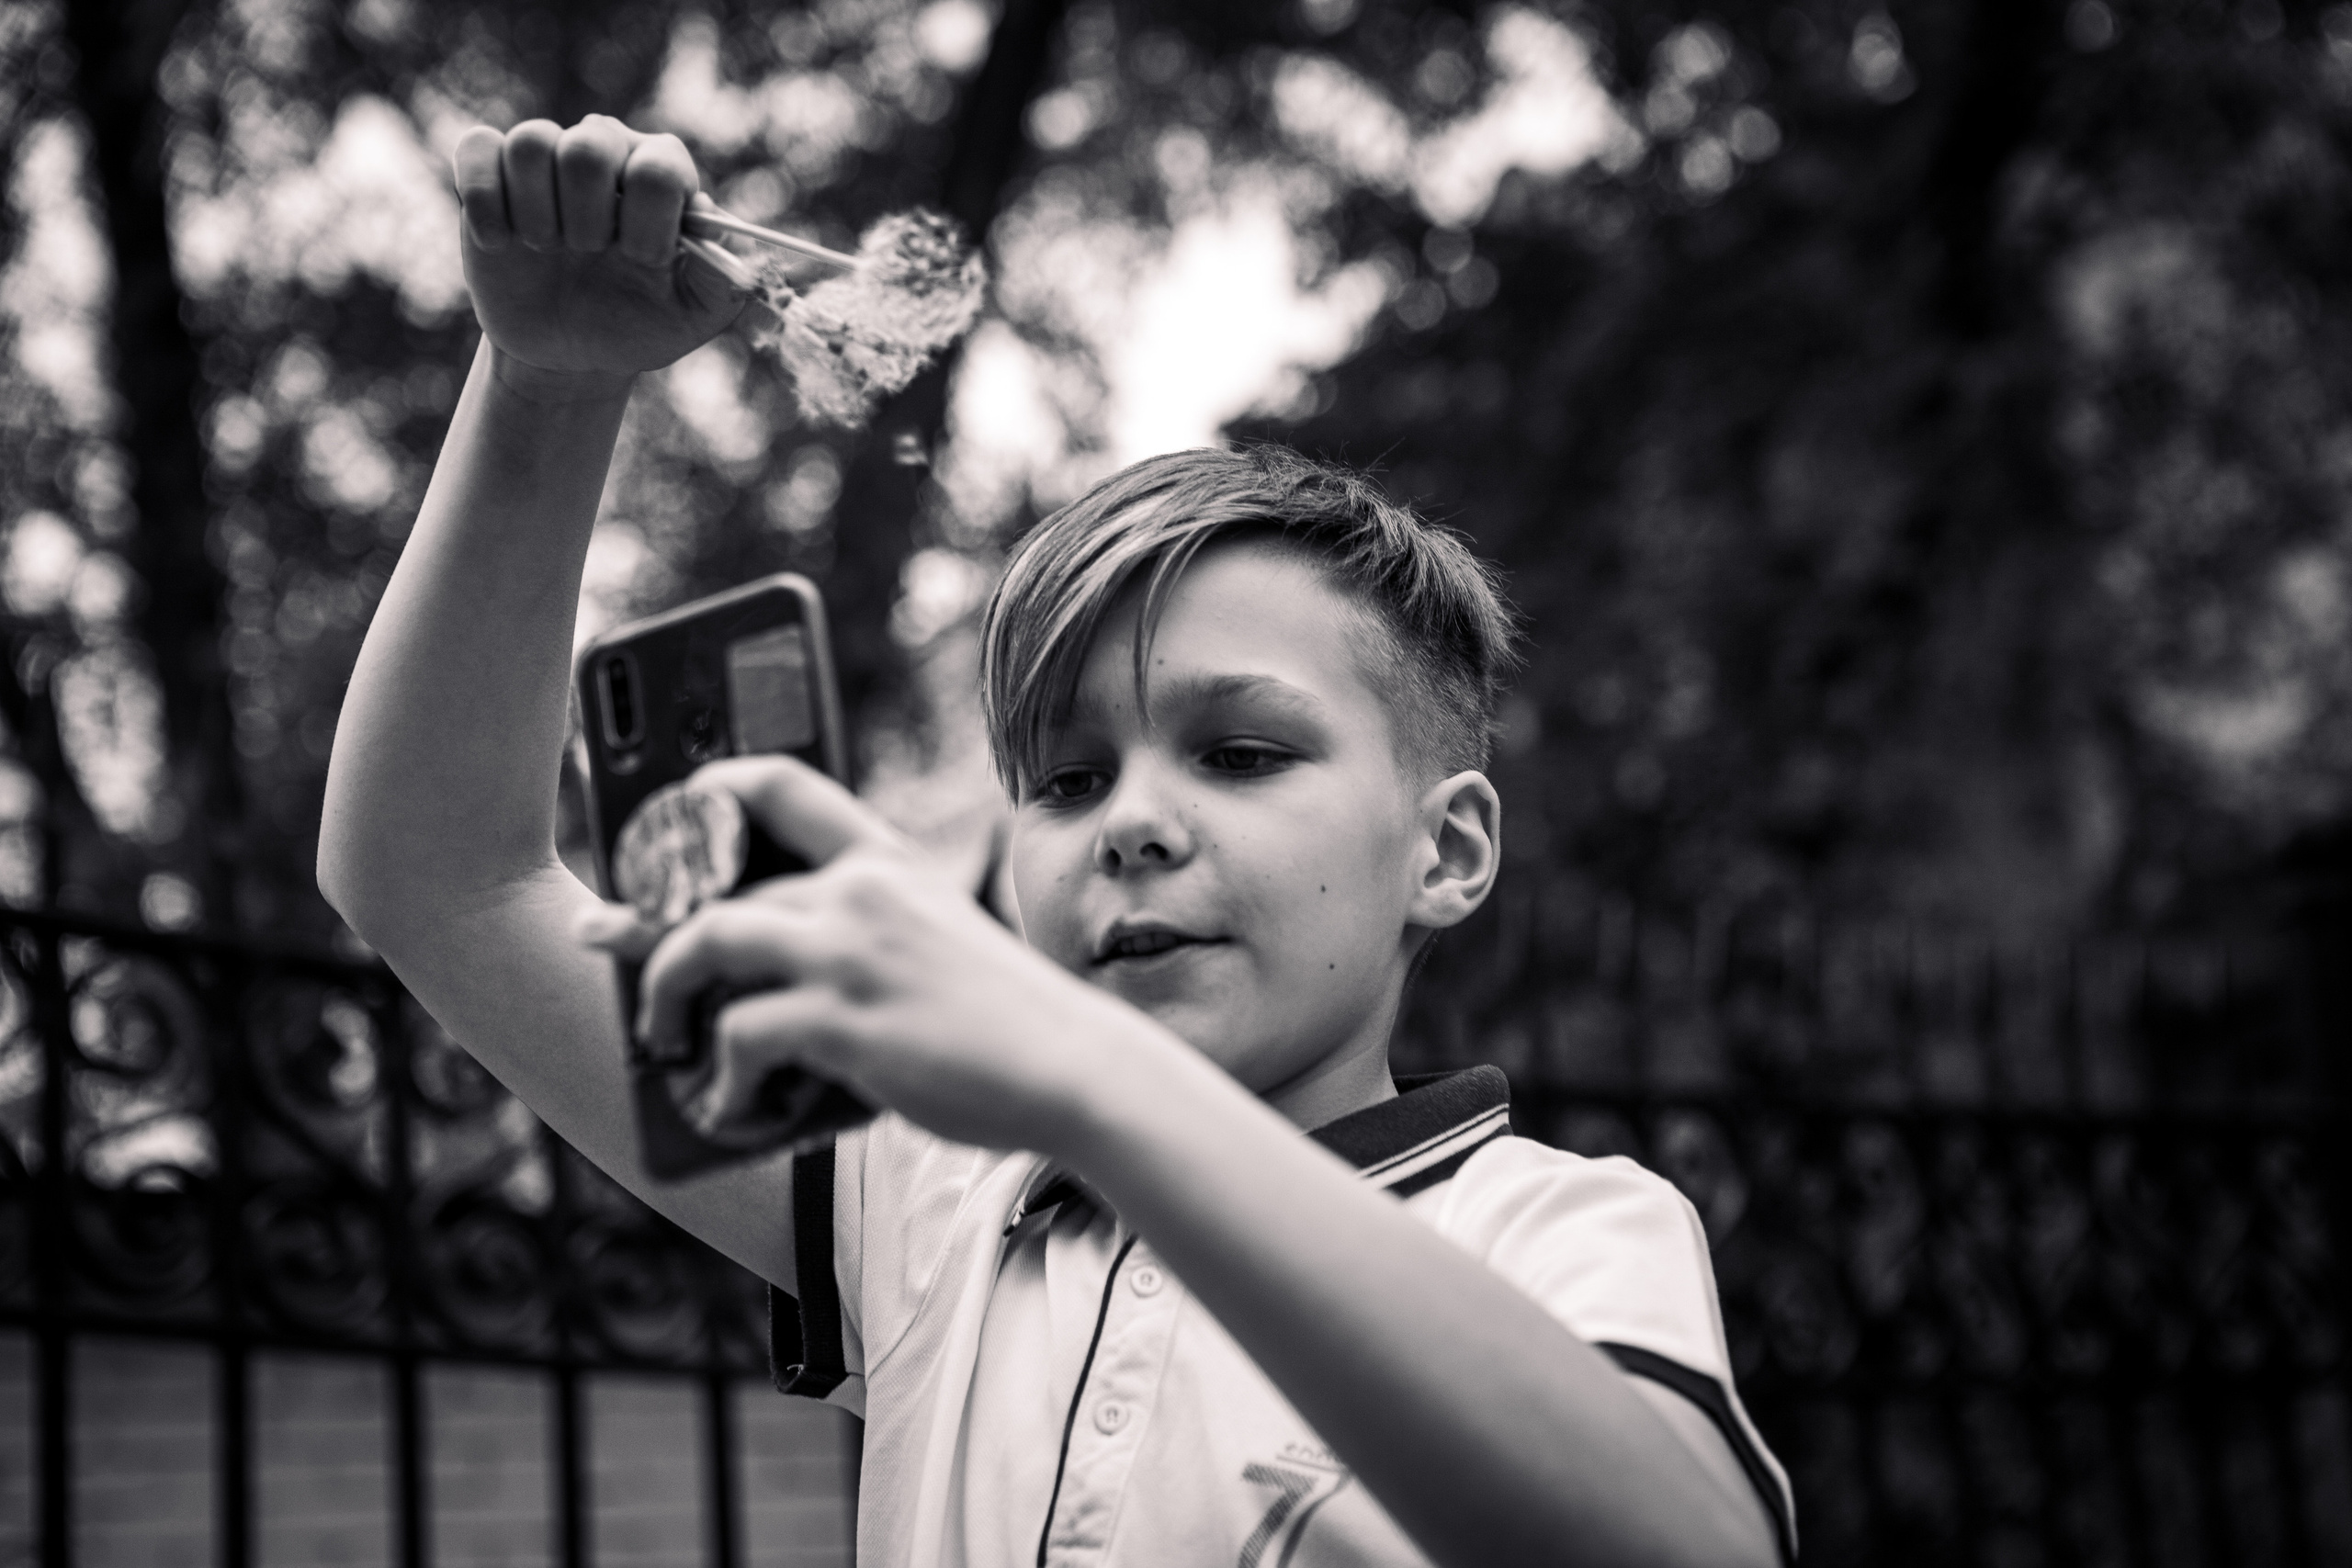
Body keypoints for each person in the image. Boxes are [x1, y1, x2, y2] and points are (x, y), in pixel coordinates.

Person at [320, 113, 1793, 1568]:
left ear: (1449, 850)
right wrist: (547, 383)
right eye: (1069, 780)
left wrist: (1098, 1082)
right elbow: (440, 877)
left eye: (1241, 753)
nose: (1133, 822)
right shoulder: (925, 1197)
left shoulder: (1559, 1228)